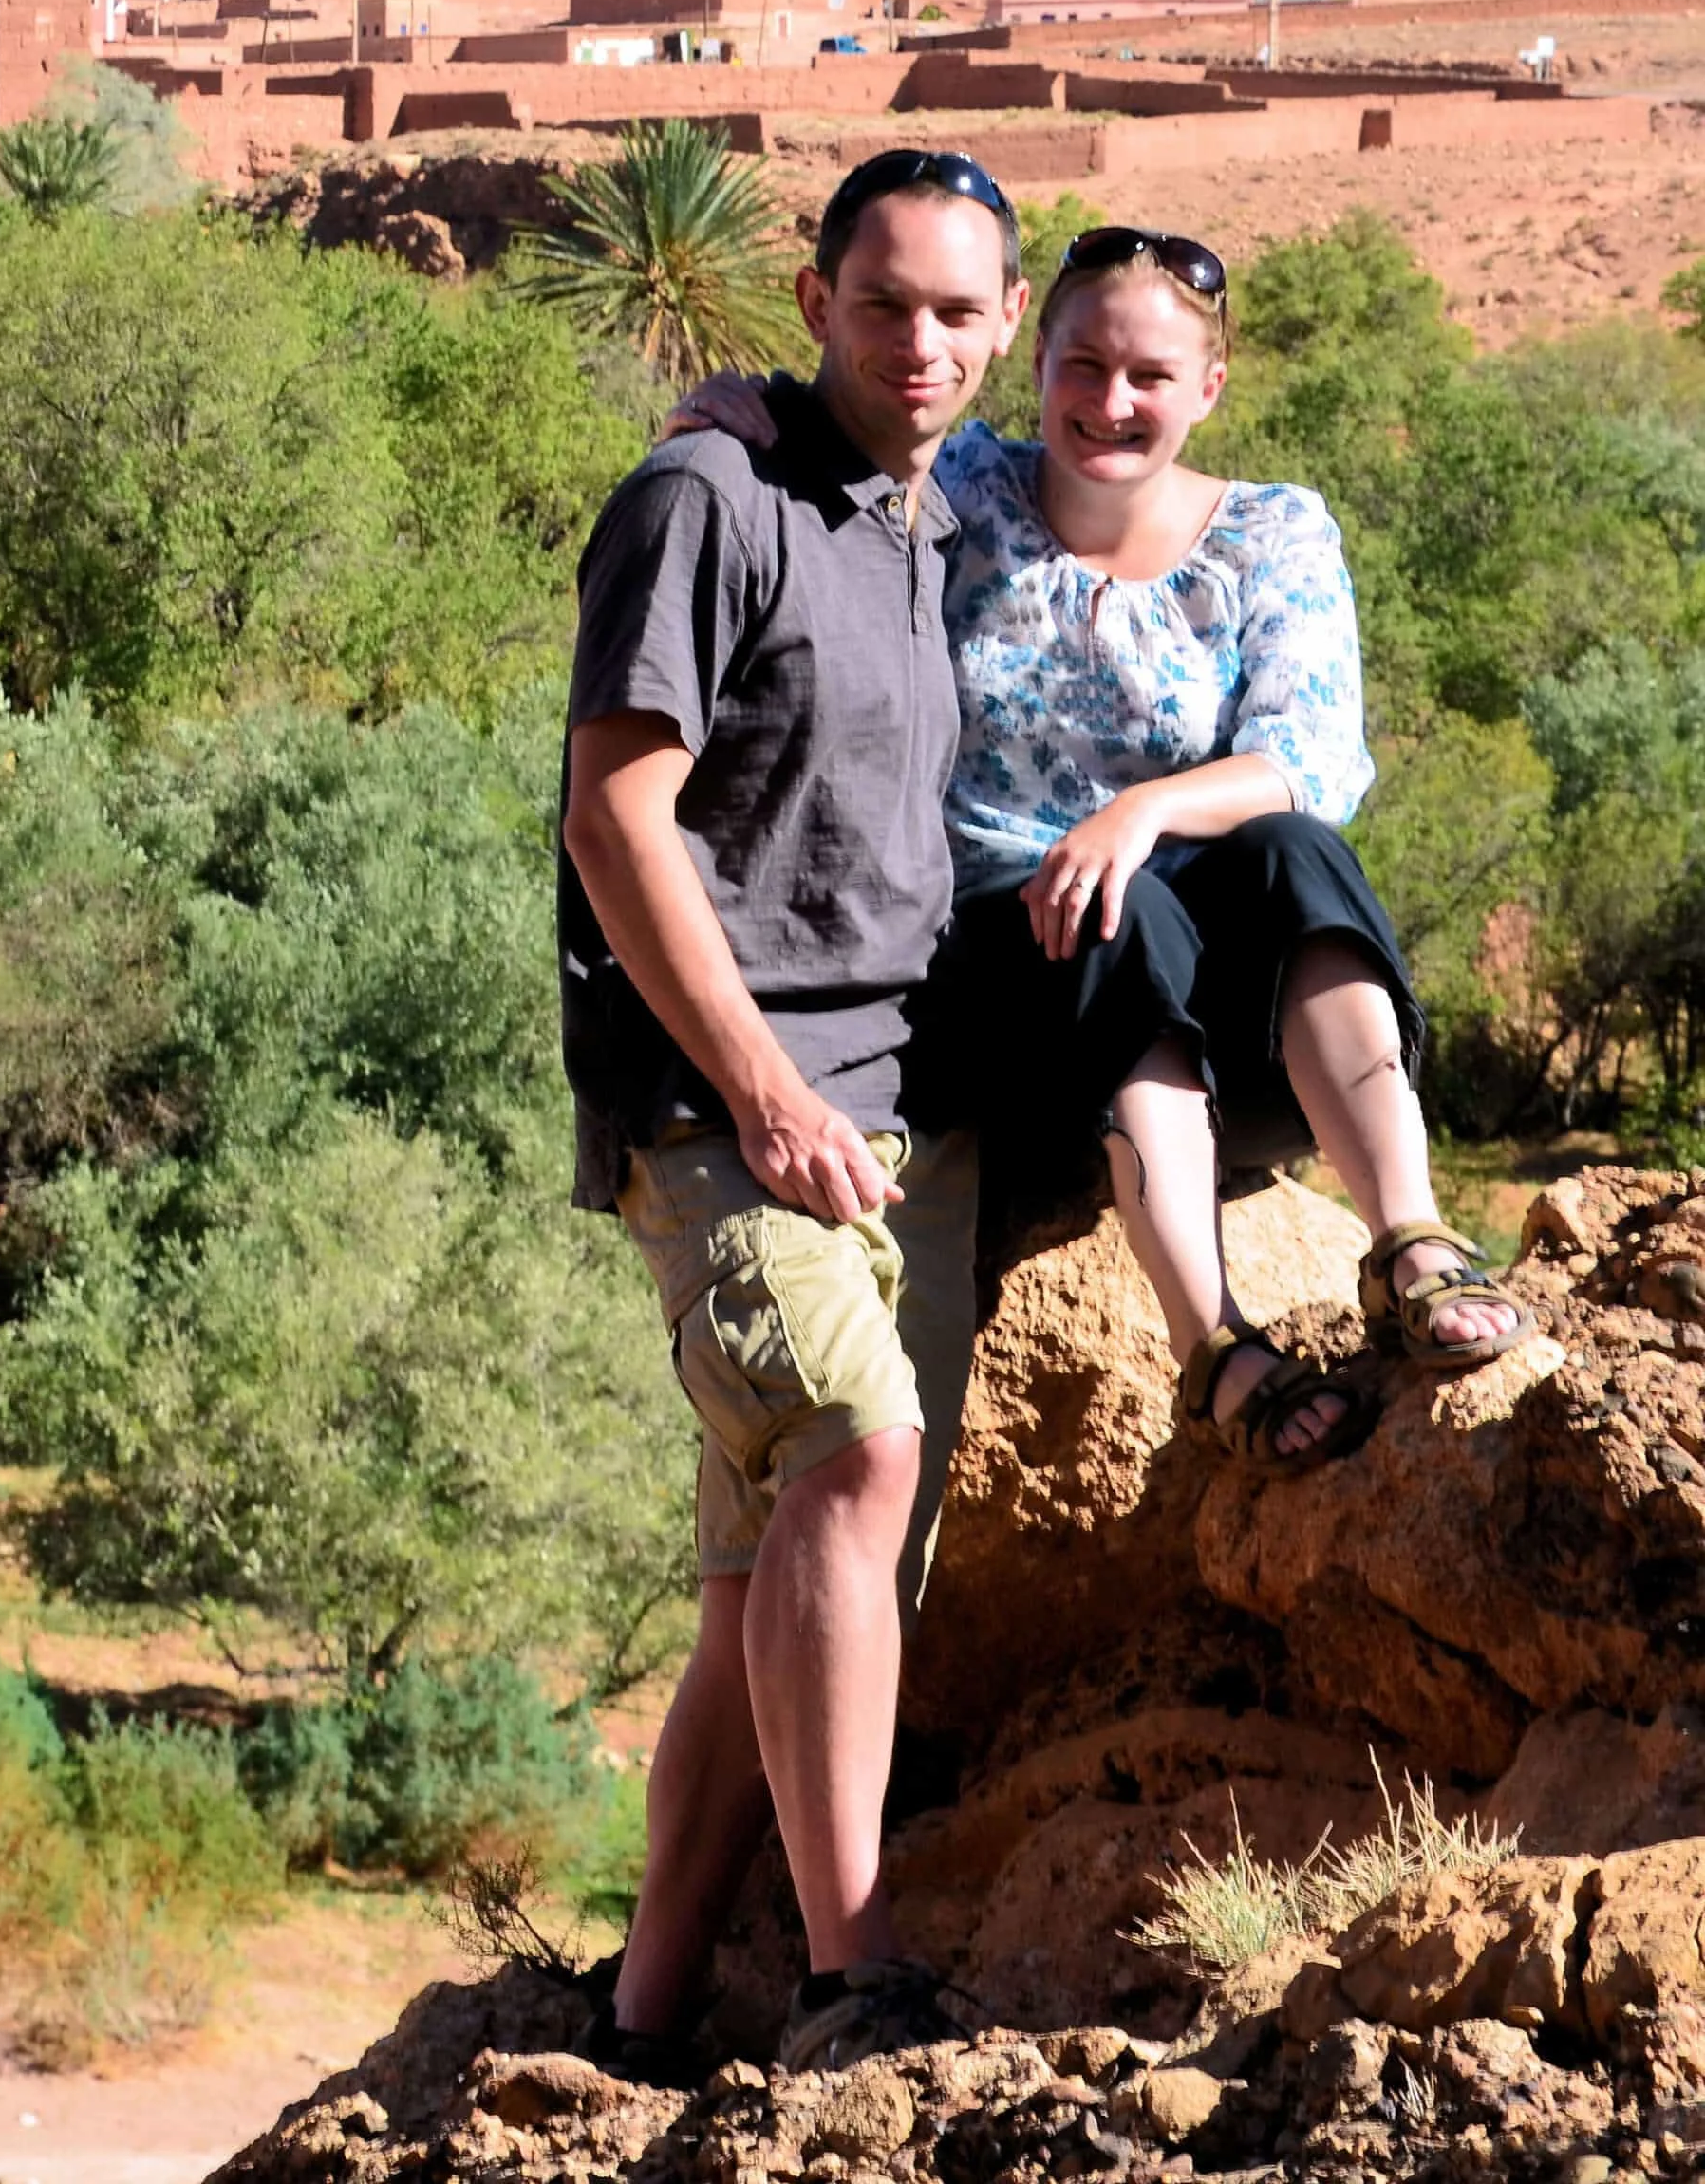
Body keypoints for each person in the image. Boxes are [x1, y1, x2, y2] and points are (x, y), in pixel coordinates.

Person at [558, 145, 1025, 2078]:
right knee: (852, 1450)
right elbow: (615, 814)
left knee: (762, 1576)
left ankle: (646, 2010)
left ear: (997, 327)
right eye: (881, 300)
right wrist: (757, 1094)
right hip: (728, 1105)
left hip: (878, 1098)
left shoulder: (919, 516)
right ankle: (854, 1977)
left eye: (953, 311)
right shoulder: (705, 494)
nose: (916, 341)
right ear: (814, 297)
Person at [886, 228, 1519, 1464]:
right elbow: (831, 437)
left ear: (1208, 389)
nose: (1109, 403)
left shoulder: (1272, 535)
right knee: (1132, 919)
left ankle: (1407, 1240)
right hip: (1015, 1006)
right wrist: (731, 418)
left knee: (1294, 850)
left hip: (1231, 1035)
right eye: (1084, 366)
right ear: (1039, 359)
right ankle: (1217, 1345)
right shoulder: (964, 492)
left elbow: (1315, 755)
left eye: (1149, 378)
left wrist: (1143, 814)